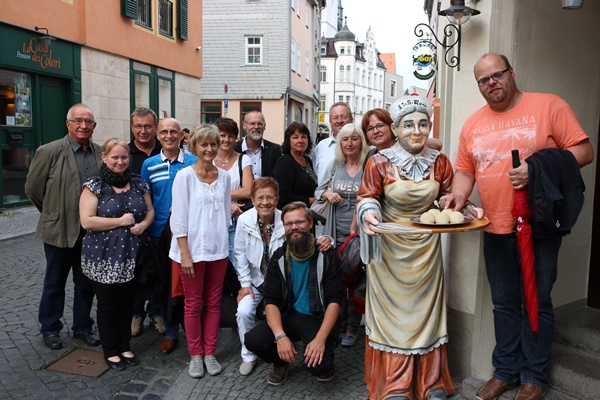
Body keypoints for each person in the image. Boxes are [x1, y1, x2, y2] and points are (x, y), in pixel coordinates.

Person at [439, 53, 593, 400]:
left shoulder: (549, 105)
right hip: (495, 226)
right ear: (478, 86)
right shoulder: (472, 124)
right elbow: (465, 170)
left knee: (536, 302)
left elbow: (584, 151)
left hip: (538, 228)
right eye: (483, 80)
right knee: (504, 304)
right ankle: (505, 371)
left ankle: (534, 377)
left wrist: (536, 169)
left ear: (512, 73)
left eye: (498, 75)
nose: (492, 83)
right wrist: (458, 197)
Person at [357, 95, 462, 400]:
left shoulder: (440, 161)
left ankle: (431, 382)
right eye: (409, 125)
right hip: (389, 249)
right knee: (394, 320)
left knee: (426, 316)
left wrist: (461, 208)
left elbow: (447, 197)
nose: (417, 131)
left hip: (427, 251)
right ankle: (395, 385)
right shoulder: (379, 161)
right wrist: (369, 213)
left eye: (423, 124)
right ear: (397, 129)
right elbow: (368, 196)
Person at [234, 178, 334, 376]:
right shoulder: (244, 220)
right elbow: (239, 254)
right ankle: (249, 355)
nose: (265, 202)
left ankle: (293, 348)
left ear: (277, 199)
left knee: (285, 315)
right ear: (252, 200)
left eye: (270, 197)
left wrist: (327, 240)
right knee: (244, 311)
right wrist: (245, 284)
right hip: (256, 280)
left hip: (282, 283)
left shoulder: (286, 219)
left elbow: (307, 237)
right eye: (260, 198)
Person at [24, 103, 102, 350]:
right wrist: (52, 213)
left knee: (85, 283)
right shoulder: (49, 151)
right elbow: (33, 189)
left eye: (88, 121)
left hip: (90, 232)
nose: (83, 125)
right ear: (68, 124)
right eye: (78, 120)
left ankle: (82, 327)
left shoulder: (101, 153)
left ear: (94, 126)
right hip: (58, 230)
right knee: (54, 282)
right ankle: (50, 328)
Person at [244, 202, 345, 386]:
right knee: (253, 340)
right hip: (288, 315)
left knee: (320, 367)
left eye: (299, 222)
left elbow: (335, 301)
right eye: (289, 224)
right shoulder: (280, 257)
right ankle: (280, 362)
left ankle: (325, 360)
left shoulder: (326, 256)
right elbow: (271, 300)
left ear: (310, 223)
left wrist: (320, 340)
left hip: (316, 317)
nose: (294, 227)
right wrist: (280, 337)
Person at [79, 138, 155, 370]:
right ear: (104, 158)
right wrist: (120, 221)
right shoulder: (94, 185)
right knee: (108, 304)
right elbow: (87, 221)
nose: (120, 161)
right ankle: (110, 350)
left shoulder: (138, 182)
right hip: (102, 258)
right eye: (115, 157)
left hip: (132, 256)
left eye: (124, 157)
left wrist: (143, 225)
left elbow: (150, 211)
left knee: (127, 304)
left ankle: (124, 346)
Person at [169, 125, 232, 379]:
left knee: (214, 302)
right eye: (204, 144)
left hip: (218, 250)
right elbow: (179, 218)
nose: (209, 149)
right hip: (192, 251)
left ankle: (210, 352)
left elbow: (225, 214)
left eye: (213, 144)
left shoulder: (225, 177)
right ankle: (195, 355)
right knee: (193, 303)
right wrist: (184, 253)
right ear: (194, 147)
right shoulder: (184, 176)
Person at [140, 117, 197, 355]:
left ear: (182, 135)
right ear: (157, 135)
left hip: (190, 234)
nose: (169, 135)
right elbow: (146, 200)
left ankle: (194, 331)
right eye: (164, 132)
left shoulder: (194, 162)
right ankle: (172, 332)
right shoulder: (149, 164)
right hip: (159, 236)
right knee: (164, 286)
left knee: (191, 286)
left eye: (174, 131)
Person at [314, 123, 369, 348]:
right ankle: (338, 323)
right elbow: (318, 191)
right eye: (345, 139)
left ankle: (352, 326)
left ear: (361, 142)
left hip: (362, 233)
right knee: (339, 280)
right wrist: (327, 193)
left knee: (359, 281)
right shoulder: (335, 165)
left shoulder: (369, 164)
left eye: (354, 139)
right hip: (336, 232)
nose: (349, 144)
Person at [128, 107, 164, 337]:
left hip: (161, 224)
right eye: (138, 126)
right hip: (132, 226)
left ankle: (156, 311)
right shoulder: (126, 154)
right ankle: (135, 313)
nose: (143, 131)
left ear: (156, 128)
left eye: (148, 126)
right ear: (132, 127)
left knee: (159, 272)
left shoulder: (166, 150)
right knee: (135, 272)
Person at [214, 117, 254, 268]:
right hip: (212, 220)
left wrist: (218, 195)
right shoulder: (208, 160)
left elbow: (248, 191)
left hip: (236, 221)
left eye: (230, 136)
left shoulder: (244, 160)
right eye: (222, 135)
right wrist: (227, 202)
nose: (226, 139)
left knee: (237, 264)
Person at [362, 107, 443, 162]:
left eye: (380, 126)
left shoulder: (406, 150)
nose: (375, 131)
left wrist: (407, 142)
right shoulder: (371, 155)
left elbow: (437, 144)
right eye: (370, 129)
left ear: (393, 127)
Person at [272, 121, 318, 209]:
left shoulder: (307, 160)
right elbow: (283, 196)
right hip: (292, 215)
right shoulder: (284, 162)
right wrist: (310, 201)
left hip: (309, 214)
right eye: (295, 137)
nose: (300, 141)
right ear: (288, 141)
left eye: (304, 137)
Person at [313, 102, 353, 184]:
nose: (339, 121)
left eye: (343, 117)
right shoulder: (321, 147)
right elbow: (316, 174)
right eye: (335, 118)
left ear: (351, 119)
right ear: (330, 121)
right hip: (324, 196)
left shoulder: (362, 146)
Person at [233, 111, 282, 179]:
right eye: (252, 123)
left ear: (264, 126)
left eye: (260, 124)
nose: (256, 127)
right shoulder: (234, 148)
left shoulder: (274, 150)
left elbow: (278, 177)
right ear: (244, 125)